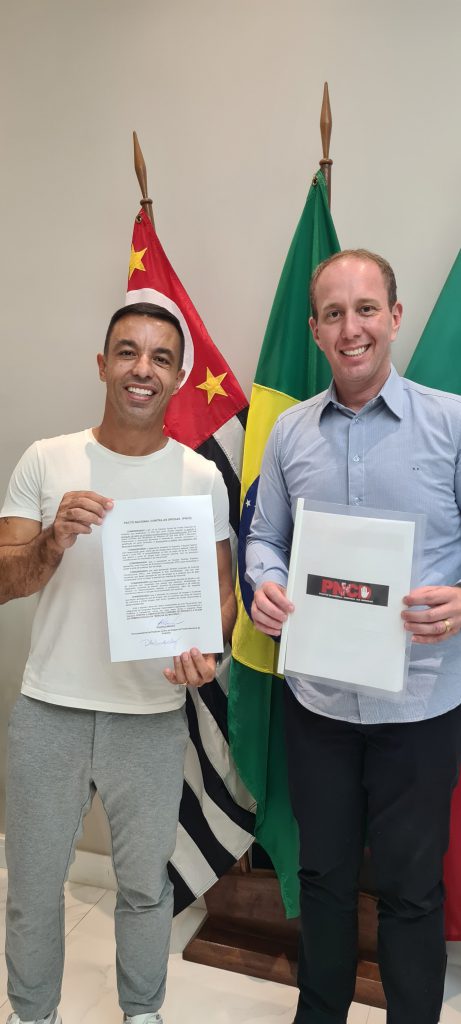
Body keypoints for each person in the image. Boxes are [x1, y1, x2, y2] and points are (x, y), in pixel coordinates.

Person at [0, 302, 236, 1024]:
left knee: (144, 888)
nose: (142, 369)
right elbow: (4, 580)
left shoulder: (199, 477)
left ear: (179, 377)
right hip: (51, 708)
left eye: (161, 357)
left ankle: (142, 1012)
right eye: (128, 352)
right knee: (32, 889)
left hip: (151, 713)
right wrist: (51, 541)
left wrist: (208, 653)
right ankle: (34, 1014)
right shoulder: (47, 459)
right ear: (103, 365)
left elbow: (221, 597)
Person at [246, 250, 461, 1024]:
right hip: (320, 706)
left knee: (411, 891)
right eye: (333, 314)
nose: (351, 328)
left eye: (365, 309)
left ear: (394, 318)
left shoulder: (451, 422)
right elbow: (263, 538)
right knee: (324, 881)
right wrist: (264, 582)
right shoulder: (288, 433)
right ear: (314, 330)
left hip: (420, 706)